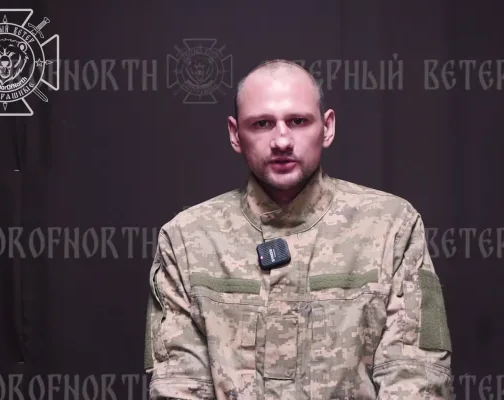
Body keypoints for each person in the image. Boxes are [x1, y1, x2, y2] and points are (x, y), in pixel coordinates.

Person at [144, 59, 453, 399]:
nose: (281, 140)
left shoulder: (391, 226)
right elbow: (178, 387)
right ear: (235, 135)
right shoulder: (187, 239)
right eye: (262, 123)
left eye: (298, 121)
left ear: (327, 127)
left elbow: (416, 379)